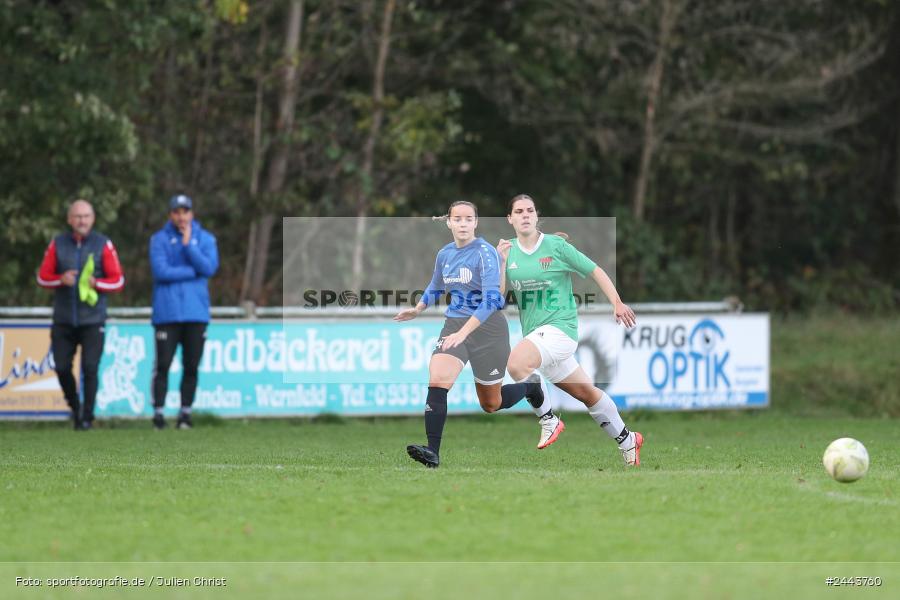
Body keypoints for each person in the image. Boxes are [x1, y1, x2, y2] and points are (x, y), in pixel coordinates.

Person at [394, 201, 545, 468]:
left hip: (489, 330)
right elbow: (436, 285)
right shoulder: (445, 254)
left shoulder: (485, 253)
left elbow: (491, 301)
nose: (463, 224)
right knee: (438, 377)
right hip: (455, 326)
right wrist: (418, 308)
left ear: (475, 223)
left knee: (491, 403)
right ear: (449, 222)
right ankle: (433, 452)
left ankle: (531, 387)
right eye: (457, 219)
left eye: (468, 219)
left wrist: (465, 332)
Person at [497, 194, 644, 465]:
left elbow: (595, 270)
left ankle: (548, 420)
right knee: (586, 393)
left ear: (537, 215)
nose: (525, 215)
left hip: (560, 330)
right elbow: (498, 298)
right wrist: (502, 263)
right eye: (519, 211)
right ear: (510, 218)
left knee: (517, 364)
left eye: (530, 210)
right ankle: (628, 439)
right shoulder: (508, 251)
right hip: (537, 337)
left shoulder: (555, 246)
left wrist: (617, 302)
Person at [37, 199, 125, 430]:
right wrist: (60, 279)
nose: (82, 221)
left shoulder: (103, 244)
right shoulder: (58, 243)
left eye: (86, 216)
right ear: (69, 219)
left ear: (93, 219)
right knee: (62, 367)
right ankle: (75, 407)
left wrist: (97, 284)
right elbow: (42, 277)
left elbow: (118, 280)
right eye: (77, 216)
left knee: (90, 368)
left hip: (93, 319)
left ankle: (87, 416)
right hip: (64, 319)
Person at [149, 194, 219, 429]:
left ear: (192, 214)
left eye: (185, 212)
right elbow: (161, 272)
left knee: (191, 366)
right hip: (167, 314)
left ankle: (185, 414)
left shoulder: (205, 239)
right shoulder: (159, 240)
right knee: (163, 365)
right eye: (177, 212)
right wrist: (192, 272)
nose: (181, 217)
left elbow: (209, 267)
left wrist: (189, 247)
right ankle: (158, 413)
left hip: (195, 313)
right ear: (170, 214)